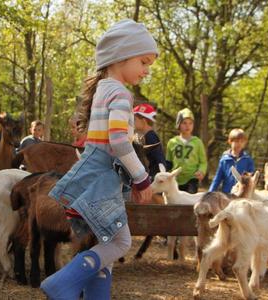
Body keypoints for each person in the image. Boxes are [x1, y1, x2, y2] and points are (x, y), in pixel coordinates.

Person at [40, 19, 158, 299]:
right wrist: (141, 179)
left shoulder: (104, 89)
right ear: (120, 56)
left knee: (107, 242)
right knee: (121, 243)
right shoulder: (119, 93)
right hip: (102, 177)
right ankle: (62, 283)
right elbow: (118, 142)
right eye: (143, 61)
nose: (146, 70)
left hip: (94, 173)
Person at [166, 108, 207, 194]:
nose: (187, 126)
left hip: (192, 178)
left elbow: (203, 162)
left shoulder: (198, 142)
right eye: (184, 123)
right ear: (178, 124)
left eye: (190, 123)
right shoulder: (172, 142)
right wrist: (166, 174)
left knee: (189, 202)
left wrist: (201, 171)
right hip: (175, 178)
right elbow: (168, 162)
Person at [209, 128, 255, 193]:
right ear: (230, 141)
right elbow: (217, 179)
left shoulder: (248, 159)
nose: (239, 144)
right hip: (227, 194)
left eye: (241, 141)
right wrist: (210, 193)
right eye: (236, 141)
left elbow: (251, 176)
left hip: (241, 193)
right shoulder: (224, 160)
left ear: (245, 143)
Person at [133, 103, 166, 179]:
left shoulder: (150, 136)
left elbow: (159, 158)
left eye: (135, 119)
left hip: (154, 178)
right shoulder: (148, 136)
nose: (133, 122)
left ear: (144, 121)